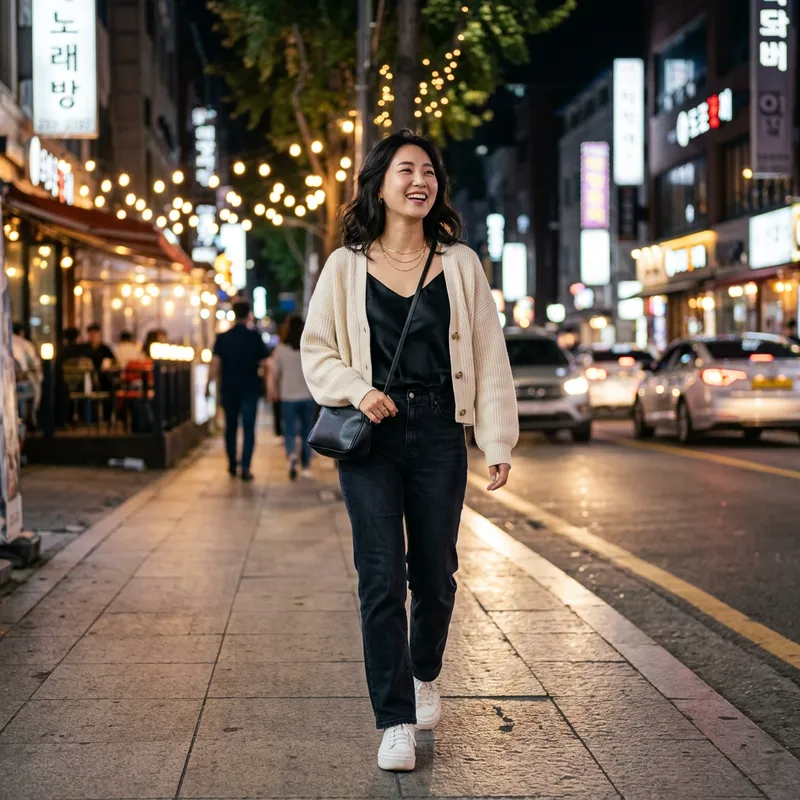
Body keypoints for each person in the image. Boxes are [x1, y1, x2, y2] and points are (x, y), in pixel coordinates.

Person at [301, 129, 518, 772]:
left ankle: (424, 673)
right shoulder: (345, 266)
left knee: (435, 574)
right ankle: (394, 719)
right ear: (379, 184)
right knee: (379, 577)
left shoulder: (461, 264)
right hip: (372, 436)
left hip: (440, 430)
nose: (420, 181)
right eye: (406, 170)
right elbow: (317, 350)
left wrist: (496, 438)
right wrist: (358, 390)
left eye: (429, 171)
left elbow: (489, 354)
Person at [208, 299, 269, 480]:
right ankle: (246, 467)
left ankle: (232, 464)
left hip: (229, 388)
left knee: (231, 427)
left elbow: (215, 364)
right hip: (250, 388)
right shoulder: (255, 337)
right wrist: (267, 387)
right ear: (249, 315)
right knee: (249, 428)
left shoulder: (223, 337)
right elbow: (264, 364)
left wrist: (208, 384)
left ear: (234, 314)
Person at [269, 314, 316, 480]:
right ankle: (306, 467)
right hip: (308, 395)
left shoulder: (281, 350)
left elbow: (274, 374)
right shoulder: (310, 348)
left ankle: (291, 455)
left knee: (289, 430)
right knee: (307, 431)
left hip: (287, 396)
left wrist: (273, 391)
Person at [12, 322, 42, 427]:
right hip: (22, 382)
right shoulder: (25, 344)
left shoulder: (6, 341)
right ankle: (31, 418)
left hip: (12, 382)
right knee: (35, 388)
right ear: (22, 333)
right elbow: (34, 364)